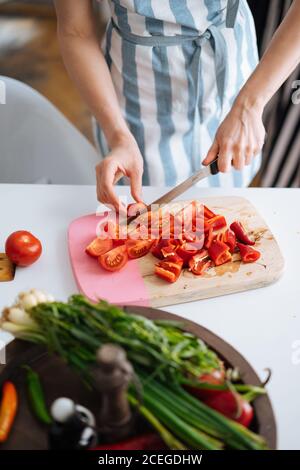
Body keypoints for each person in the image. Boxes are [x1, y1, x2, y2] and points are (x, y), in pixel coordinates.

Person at [54, 1, 300, 210]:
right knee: (146, 196)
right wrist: (118, 135)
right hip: (137, 92)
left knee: (228, 196)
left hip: (234, 82)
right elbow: (76, 31)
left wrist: (249, 105)